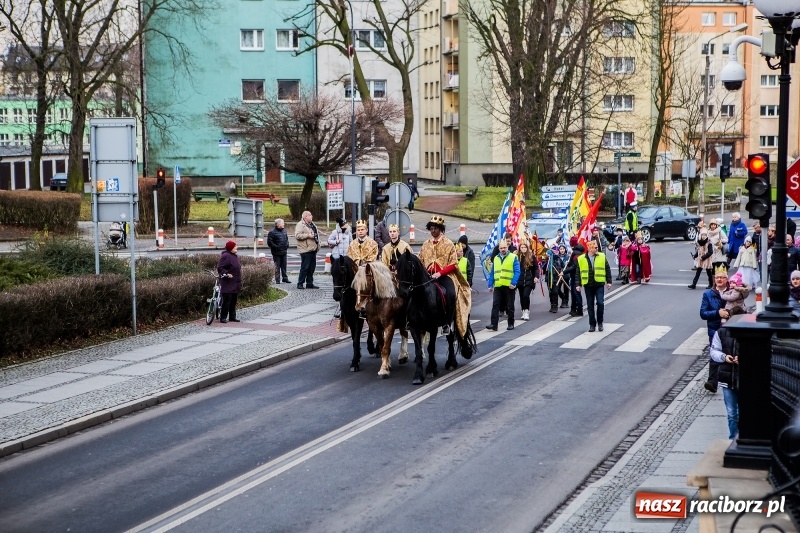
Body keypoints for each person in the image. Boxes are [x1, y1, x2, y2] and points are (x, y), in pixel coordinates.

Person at [419, 215, 471, 336]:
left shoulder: (448, 244)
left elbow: (453, 264)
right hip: (428, 276)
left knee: (451, 294)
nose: (433, 231)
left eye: (435, 228)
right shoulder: (425, 244)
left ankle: (447, 322)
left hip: (444, 276)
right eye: (431, 228)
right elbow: (420, 260)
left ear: (441, 229)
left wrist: (440, 273)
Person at [700, 265, 731, 393]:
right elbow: (703, 313)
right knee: (714, 354)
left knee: (729, 354)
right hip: (715, 329)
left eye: (721, 278)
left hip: (729, 329)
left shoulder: (733, 292)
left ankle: (728, 379)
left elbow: (741, 310)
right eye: (717, 277)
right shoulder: (708, 294)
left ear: (726, 280)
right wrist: (717, 313)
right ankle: (712, 382)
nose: (719, 280)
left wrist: (729, 313)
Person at [709, 327, 740, 439]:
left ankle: (741, 439)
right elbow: (713, 352)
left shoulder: (748, 331)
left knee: (742, 414)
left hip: (744, 379)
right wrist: (724, 357)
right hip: (727, 378)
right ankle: (733, 439)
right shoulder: (721, 332)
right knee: (732, 414)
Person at [576, 240, 613, 332]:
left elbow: (607, 269)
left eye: (597, 247)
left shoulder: (602, 256)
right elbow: (578, 272)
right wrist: (578, 284)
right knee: (590, 305)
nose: (597, 249)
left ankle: (600, 323)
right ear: (589, 248)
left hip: (599, 284)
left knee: (600, 303)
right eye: (595, 247)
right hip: (588, 285)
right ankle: (592, 324)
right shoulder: (581, 258)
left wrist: (609, 281)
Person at [487, 239, 520, 331]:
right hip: (498, 285)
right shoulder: (496, 258)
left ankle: (510, 323)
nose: (503, 249)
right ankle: (494, 324)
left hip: (509, 286)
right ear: (498, 248)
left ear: (508, 247)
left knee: (510, 306)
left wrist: (513, 283)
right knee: (495, 305)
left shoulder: (513, 257)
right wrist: (490, 285)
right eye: (501, 248)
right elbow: (493, 272)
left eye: (504, 247)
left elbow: (517, 271)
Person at [217, 240, 242, 323]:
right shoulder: (226, 256)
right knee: (227, 301)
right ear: (231, 248)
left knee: (233, 301)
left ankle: (232, 316)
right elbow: (220, 267)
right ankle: (223, 317)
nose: (236, 247)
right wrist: (227, 273)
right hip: (228, 282)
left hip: (235, 282)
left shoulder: (234, 256)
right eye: (235, 246)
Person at [294, 210, 320, 289]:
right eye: (310, 215)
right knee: (305, 267)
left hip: (313, 248)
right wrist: (307, 235)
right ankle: (300, 283)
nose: (312, 216)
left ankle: (309, 283)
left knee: (312, 268)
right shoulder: (300, 224)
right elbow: (297, 235)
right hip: (305, 249)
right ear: (306, 217)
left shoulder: (312, 224)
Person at [516, 241, 539, 321]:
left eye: (525, 247)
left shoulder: (531, 256)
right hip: (520, 280)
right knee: (521, 296)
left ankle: (526, 311)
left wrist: (536, 276)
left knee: (526, 295)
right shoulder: (517, 257)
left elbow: (536, 267)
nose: (523, 249)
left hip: (529, 279)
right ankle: (523, 310)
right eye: (522, 247)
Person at [544, 244, 568, 314]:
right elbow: (544, 268)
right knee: (550, 292)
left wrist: (561, 271)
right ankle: (552, 305)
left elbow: (563, 266)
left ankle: (555, 306)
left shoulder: (557, 258)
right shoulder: (547, 260)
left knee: (555, 292)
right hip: (549, 278)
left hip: (556, 278)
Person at [564, 242, 585, 317]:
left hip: (576, 275)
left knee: (576, 293)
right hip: (577, 275)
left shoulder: (576, 254)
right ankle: (573, 309)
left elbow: (574, 266)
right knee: (574, 293)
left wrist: (564, 272)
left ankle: (579, 310)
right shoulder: (580, 254)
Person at [266, 218, 290, 284]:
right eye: (282, 223)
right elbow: (269, 242)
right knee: (277, 266)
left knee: (284, 266)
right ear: (278, 224)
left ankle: (285, 278)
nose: (284, 224)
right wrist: (276, 247)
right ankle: (277, 280)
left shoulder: (284, 231)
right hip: (276, 252)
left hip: (284, 251)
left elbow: (286, 239)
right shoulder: (272, 232)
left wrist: (287, 245)